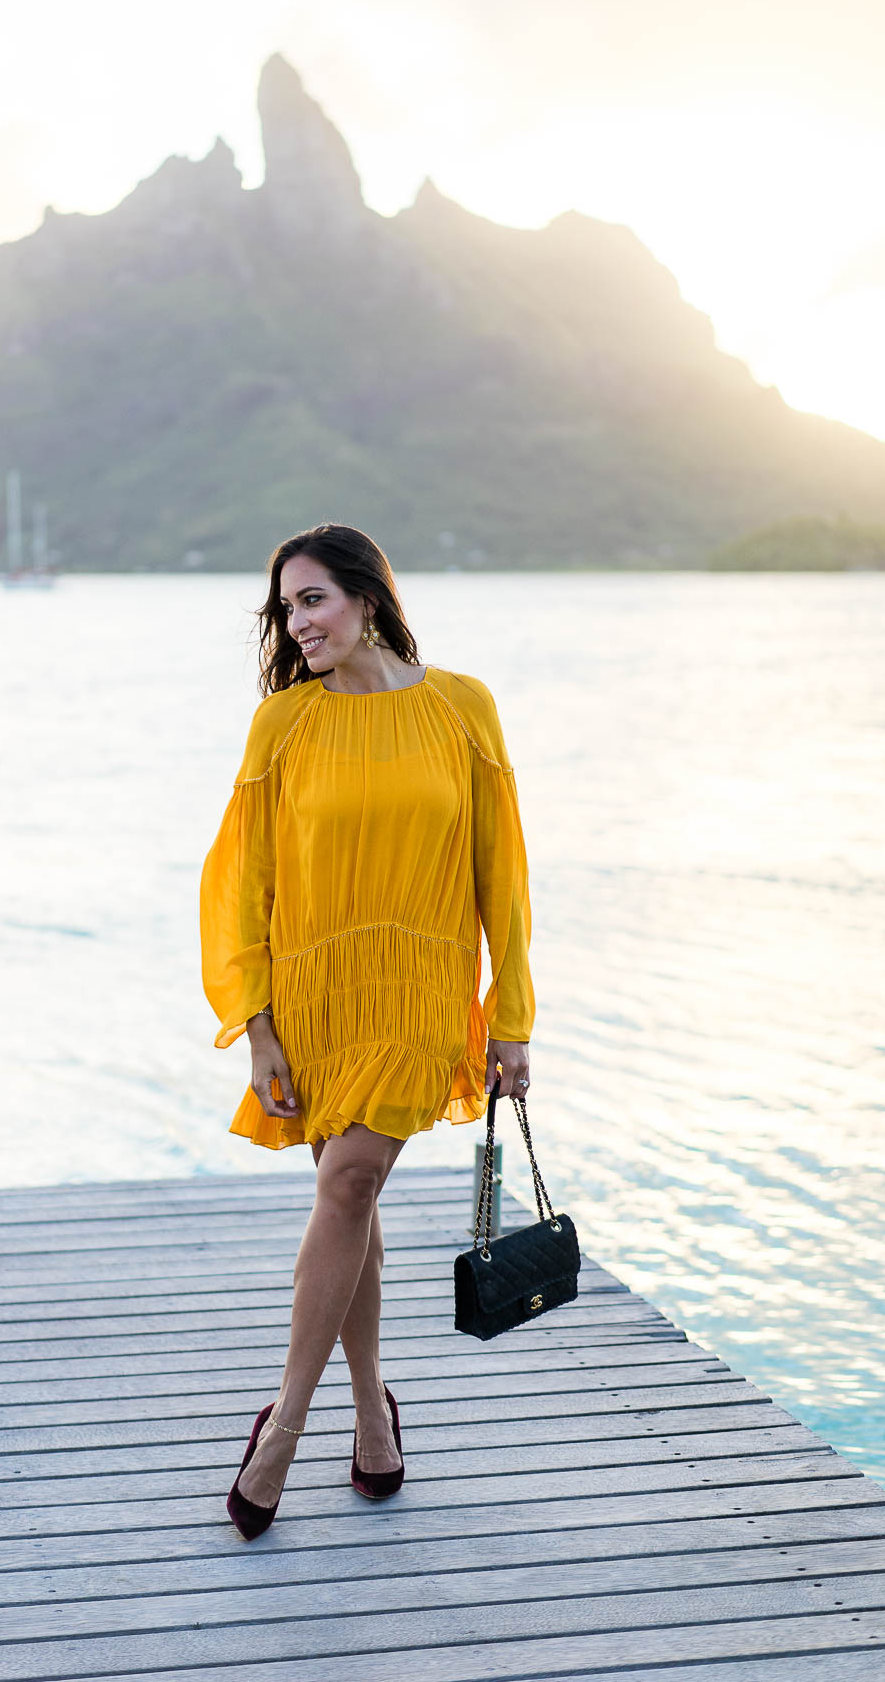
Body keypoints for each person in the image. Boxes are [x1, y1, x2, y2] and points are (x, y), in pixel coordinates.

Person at [199, 523, 534, 1540]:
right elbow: (239, 886)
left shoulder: (462, 707)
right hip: (315, 1000)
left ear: (368, 599)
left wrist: (510, 1016)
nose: (297, 624)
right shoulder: (284, 726)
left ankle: (284, 1428)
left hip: (421, 992)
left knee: (349, 1184)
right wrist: (255, 1027)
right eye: (286, 608)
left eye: (313, 601)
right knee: (355, 1200)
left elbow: (502, 874)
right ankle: (370, 1411)